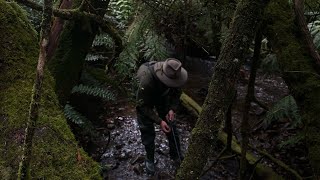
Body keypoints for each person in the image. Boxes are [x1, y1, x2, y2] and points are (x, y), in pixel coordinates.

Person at [135, 58, 188, 175]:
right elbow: (142, 106)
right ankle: (149, 158)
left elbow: (177, 92)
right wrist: (159, 121)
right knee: (147, 129)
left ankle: (175, 153)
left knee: (170, 123)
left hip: (162, 94)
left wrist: (172, 109)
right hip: (146, 98)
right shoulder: (146, 80)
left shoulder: (175, 74)